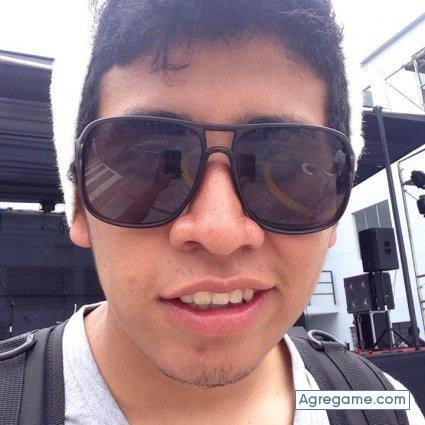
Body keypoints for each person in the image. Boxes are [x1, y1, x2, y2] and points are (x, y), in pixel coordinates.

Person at [3, 0, 423, 424]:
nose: (219, 232)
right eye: (150, 165)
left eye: (288, 167)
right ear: (78, 205)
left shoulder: (382, 405)